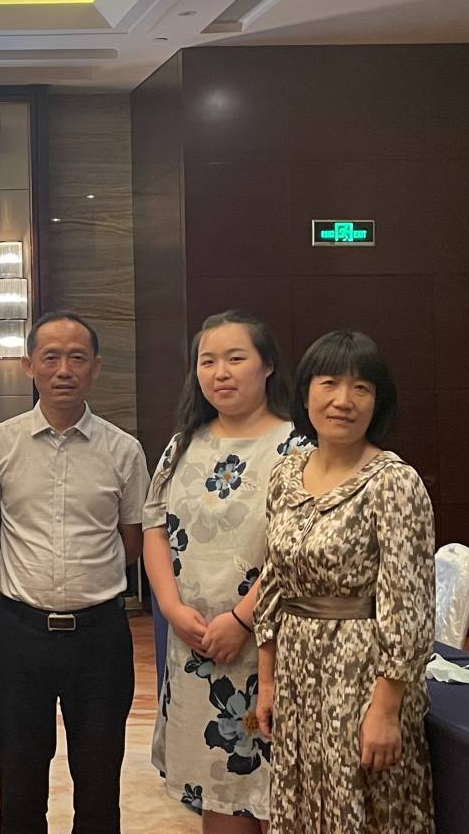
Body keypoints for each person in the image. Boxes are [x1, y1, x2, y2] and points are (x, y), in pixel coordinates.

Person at [256, 330, 434, 833]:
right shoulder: (286, 474)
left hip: (362, 676)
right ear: (306, 393)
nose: (343, 400)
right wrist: (267, 682)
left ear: (378, 401)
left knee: (362, 808)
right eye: (330, 383)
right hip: (296, 673)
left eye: (362, 388)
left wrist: (386, 710)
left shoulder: (394, 482)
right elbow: (274, 583)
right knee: (302, 802)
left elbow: (408, 604)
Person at [0, 310, 148, 834]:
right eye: (50, 357)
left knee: (99, 787)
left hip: (100, 637)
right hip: (19, 634)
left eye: (77, 357)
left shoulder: (123, 450)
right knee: (19, 787)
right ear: (29, 365)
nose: (64, 370)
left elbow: (132, 539)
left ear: (95, 367)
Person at [142, 311, 306, 829]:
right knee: (217, 795)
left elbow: (296, 550)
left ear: (268, 365)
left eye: (236, 358)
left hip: (269, 650)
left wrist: (240, 620)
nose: (220, 373)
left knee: (279, 797)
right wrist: (170, 607)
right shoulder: (182, 444)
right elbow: (154, 526)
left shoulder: (298, 448)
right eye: (207, 361)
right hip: (195, 648)